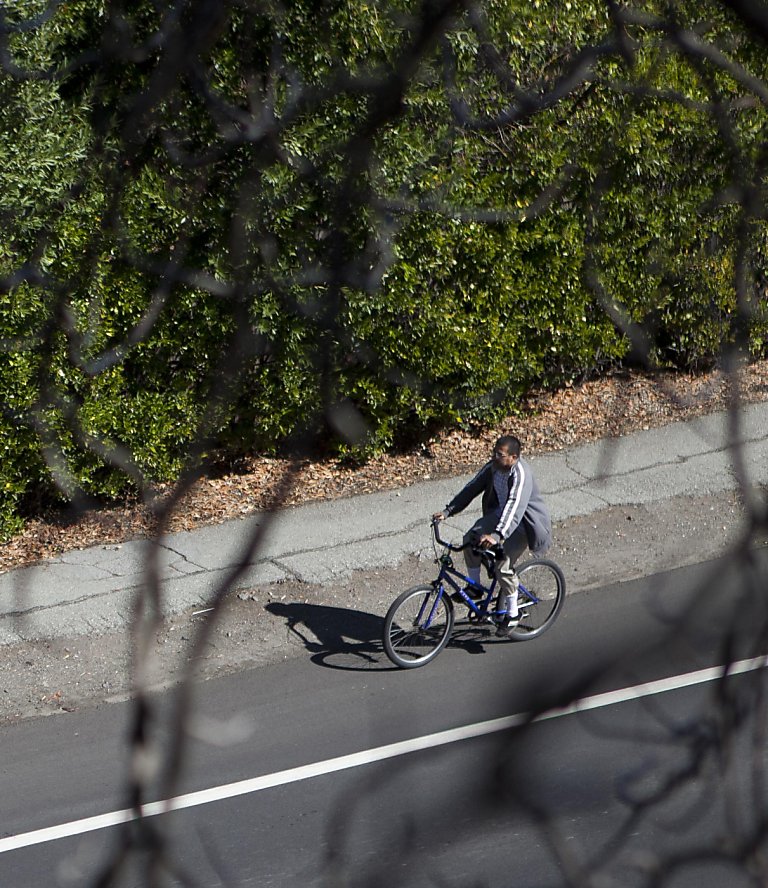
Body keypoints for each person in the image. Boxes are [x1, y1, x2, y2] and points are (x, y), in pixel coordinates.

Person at [432, 435, 552, 637]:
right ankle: (475, 587)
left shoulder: (521, 474)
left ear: (513, 457)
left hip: (524, 523)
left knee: (501, 564)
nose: (494, 457)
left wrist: (497, 535)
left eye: (500, 455)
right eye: (494, 452)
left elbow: (515, 507)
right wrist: (448, 512)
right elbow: (471, 488)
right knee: (470, 539)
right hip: (500, 514)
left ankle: (512, 613)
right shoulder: (494, 468)